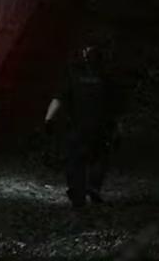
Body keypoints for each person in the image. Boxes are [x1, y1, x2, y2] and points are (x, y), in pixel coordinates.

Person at [46, 38, 119, 208]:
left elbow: (60, 98)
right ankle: (93, 187)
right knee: (99, 157)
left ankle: (78, 195)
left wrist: (48, 119)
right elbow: (114, 104)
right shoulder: (105, 75)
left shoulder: (73, 73)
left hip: (78, 125)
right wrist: (116, 125)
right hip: (101, 125)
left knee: (75, 160)